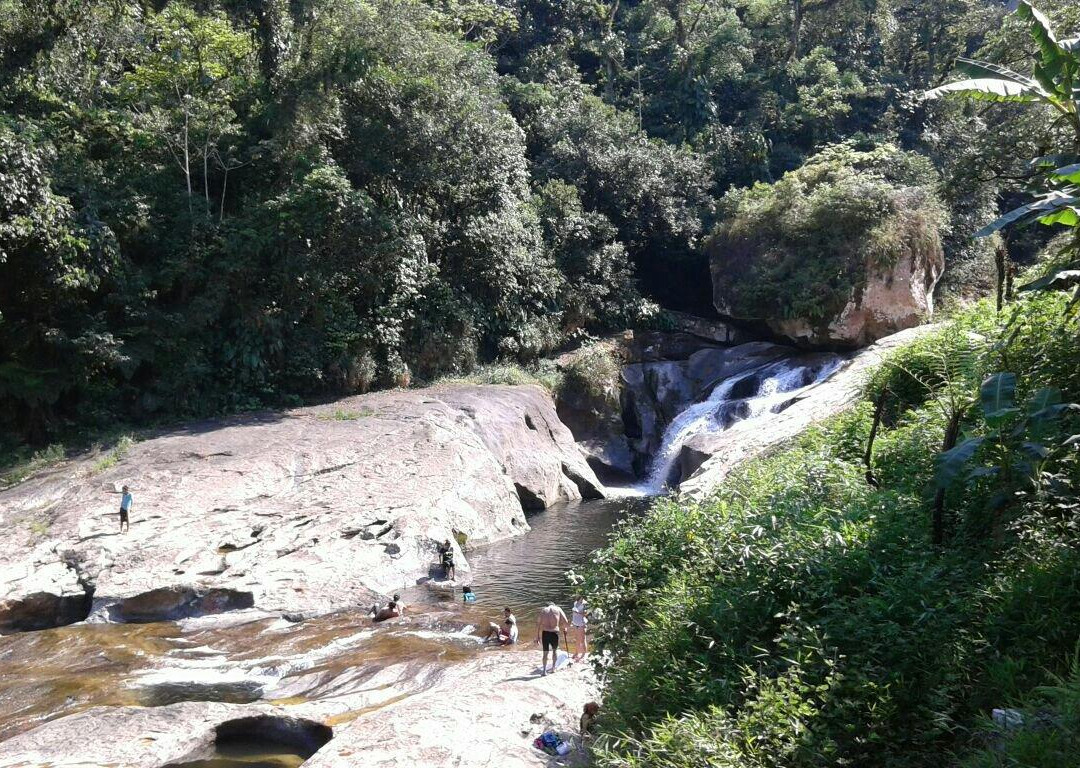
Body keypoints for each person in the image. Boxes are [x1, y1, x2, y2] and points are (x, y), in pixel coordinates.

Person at [535, 602, 569, 676]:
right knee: (554, 651)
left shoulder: (544, 610)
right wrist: (565, 628)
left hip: (545, 633)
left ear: (548, 606)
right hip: (555, 633)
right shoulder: (558, 609)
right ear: (554, 605)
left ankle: (544, 671)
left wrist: (537, 637)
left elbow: (538, 624)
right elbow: (566, 622)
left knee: (545, 653)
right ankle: (553, 668)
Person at [570, 594, 589, 661]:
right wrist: (572, 621)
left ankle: (583, 655)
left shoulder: (585, 603)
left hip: (582, 623)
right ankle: (576, 653)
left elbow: (586, 614)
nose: (581, 598)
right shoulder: (575, 602)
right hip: (575, 623)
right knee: (577, 639)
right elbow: (573, 613)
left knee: (583, 639)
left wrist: (578, 613)